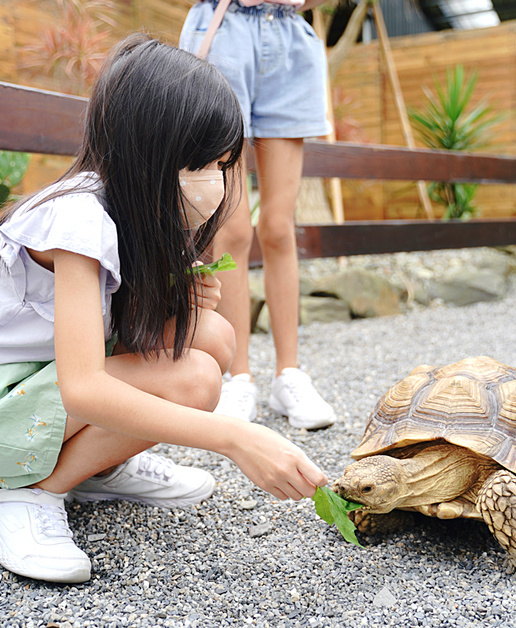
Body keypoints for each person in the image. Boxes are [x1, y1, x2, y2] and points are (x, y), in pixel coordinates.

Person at [0, 35, 326, 584]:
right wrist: (236, 439)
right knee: (196, 380)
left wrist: (176, 298)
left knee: (211, 337)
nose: (217, 182)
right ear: (146, 151)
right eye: (202, 163)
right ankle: (30, 493)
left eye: (225, 164)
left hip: (31, 383)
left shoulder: (133, 207)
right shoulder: (78, 218)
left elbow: (118, 333)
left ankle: (98, 465)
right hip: (12, 392)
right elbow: (84, 388)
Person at [178, 0, 337, 428]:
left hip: (289, 34)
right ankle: (238, 376)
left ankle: (289, 374)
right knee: (231, 229)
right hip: (224, 27)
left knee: (279, 227)